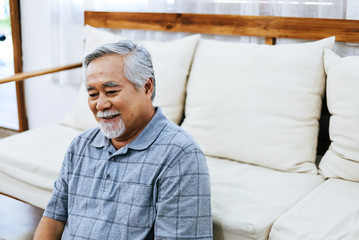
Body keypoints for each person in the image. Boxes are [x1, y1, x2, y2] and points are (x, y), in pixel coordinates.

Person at [33, 40, 212, 239]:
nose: (100, 104)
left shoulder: (179, 155)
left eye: (111, 92)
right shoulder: (81, 145)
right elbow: (53, 218)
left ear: (147, 87)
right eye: (93, 94)